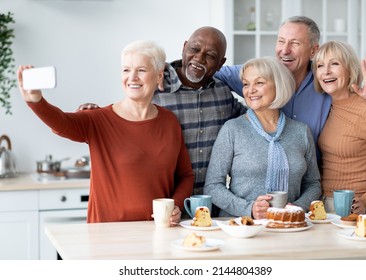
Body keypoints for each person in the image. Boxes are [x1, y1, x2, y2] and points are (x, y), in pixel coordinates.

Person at [17, 40, 194, 223]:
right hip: (105, 234)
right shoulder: (98, 119)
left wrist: (176, 205)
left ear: (158, 77)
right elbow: (61, 123)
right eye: (126, 70)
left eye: (141, 70)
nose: (132, 77)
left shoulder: (169, 122)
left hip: (155, 230)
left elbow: (185, 175)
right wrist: (36, 101)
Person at [78, 27, 247, 201]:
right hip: (162, 205)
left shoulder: (223, 92)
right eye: (194, 49)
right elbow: (124, 117)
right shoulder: (156, 84)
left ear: (221, 63)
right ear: (184, 47)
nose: (199, 58)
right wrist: (96, 116)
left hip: (209, 208)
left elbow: (255, 120)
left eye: (210, 56)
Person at [215, 16, 366, 163]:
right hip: (265, 184)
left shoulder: (327, 80)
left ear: (313, 51)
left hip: (317, 185)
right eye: (281, 41)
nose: (285, 50)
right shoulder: (259, 76)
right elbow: (211, 71)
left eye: (295, 43)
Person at [204, 57, 321, 219]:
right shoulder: (232, 130)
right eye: (246, 84)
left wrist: (297, 208)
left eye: (259, 83)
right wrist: (249, 208)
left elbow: (313, 184)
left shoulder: (301, 132)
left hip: (289, 227)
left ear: (278, 85)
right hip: (242, 228)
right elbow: (212, 187)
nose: (250, 90)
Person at [312, 40, 366, 214]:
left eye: (334, 63)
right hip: (322, 206)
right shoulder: (326, 107)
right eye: (320, 65)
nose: (326, 71)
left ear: (350, 70)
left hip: (354, 207)